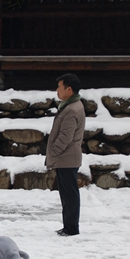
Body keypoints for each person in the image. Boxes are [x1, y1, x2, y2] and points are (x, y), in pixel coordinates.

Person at [46, 73, 85, 237]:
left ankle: (71, 227)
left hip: (67, 158)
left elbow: (65, 136)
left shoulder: (71, 109)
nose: (57, 90)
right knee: (67, 194)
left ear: (69, 89)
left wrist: (54, 151)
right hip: (66, 158)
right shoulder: (71, 106)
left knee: (69, 195)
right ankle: (68, 225)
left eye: (59, 87)